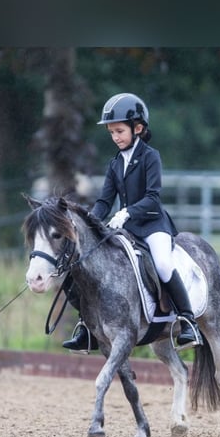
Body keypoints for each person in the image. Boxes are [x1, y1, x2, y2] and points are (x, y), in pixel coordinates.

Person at [63, 92, 201, 351]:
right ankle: (87, 326)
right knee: (89, 263)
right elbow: (105, 201)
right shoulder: (115, 163)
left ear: (137, 128)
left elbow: (152, 197)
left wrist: (126, 212)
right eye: (112, 133)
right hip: (126, 229)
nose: (115, 137)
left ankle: (188, 319)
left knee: (161, 263)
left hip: (152, 224)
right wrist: (88, 222)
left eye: (120, 131)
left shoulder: (151, 157)